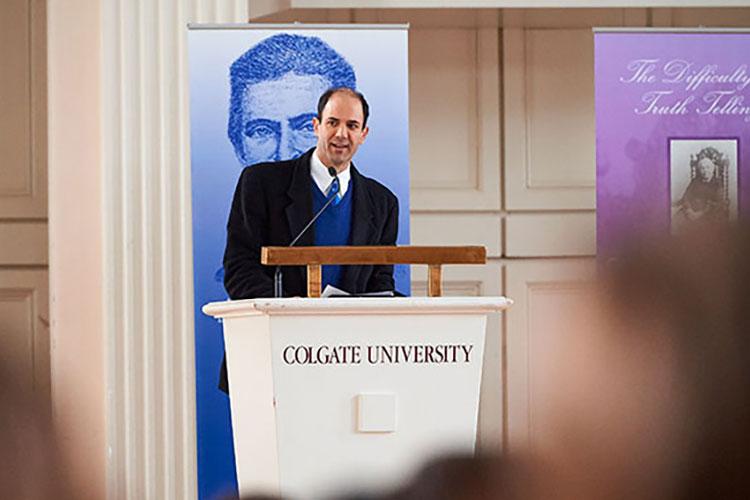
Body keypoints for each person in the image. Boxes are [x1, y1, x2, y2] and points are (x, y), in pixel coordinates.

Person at [220, 88, 398, 391]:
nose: (341, 134)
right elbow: (240, 269)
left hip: (350, 363)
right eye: (333, 123)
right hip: (273, 353)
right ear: (317, 126)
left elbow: (380, 283)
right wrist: (292, 314)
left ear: (364, 133)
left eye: (352, 126)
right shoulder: (261, 183)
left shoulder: (382, 202)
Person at [227, 33, 357, 167]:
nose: (285, 155)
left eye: (308, 127)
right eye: (262, 131)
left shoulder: (373, 188)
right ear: (239, 147)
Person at [673, 148, 726, 226]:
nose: (705, 171)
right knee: (676, 221)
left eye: (708, 167)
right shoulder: (695, 181)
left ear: (712, 169)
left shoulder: (717, 184)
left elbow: (715, 204)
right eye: (702, 168)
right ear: (699, 170)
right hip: (691, 210)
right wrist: (689, 211)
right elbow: (686, 196)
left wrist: (698, 215)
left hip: (708, 214)